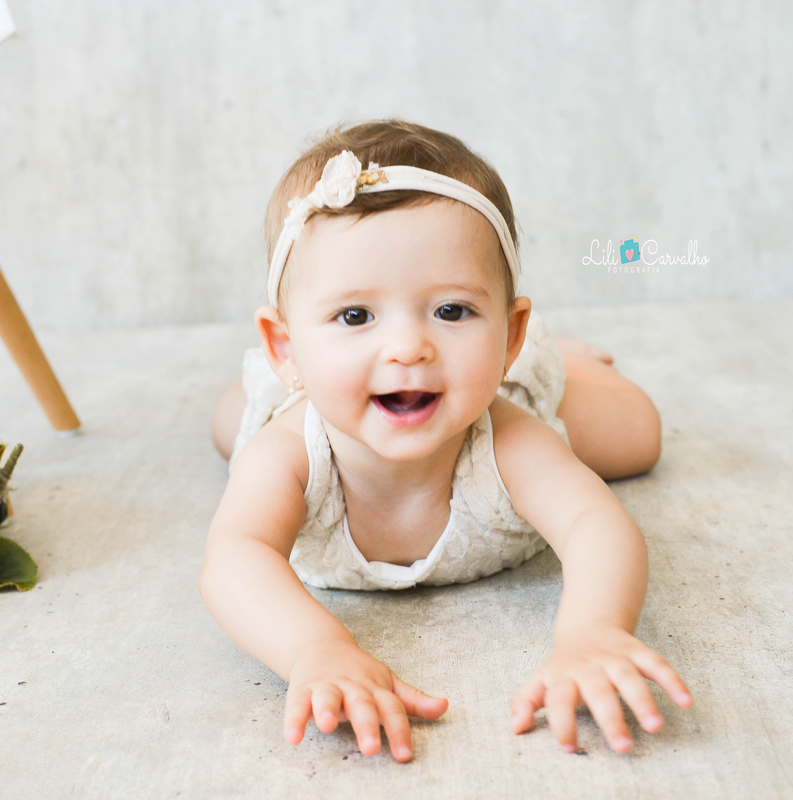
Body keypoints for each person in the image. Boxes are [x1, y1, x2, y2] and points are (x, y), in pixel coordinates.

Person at [201, 120, 691, 763]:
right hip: (300, 392)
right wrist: (315, 649)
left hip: (492, 384)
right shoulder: (288, 452)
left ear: (509, 333)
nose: (408, 348)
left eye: (452, 311)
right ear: (285, 347)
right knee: (228, 429)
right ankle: (298, 369)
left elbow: (595, 522)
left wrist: (593, 630)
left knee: (638, 434)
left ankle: (555, 361)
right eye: (356, 316)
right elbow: (235, 556)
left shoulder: (510, 440)